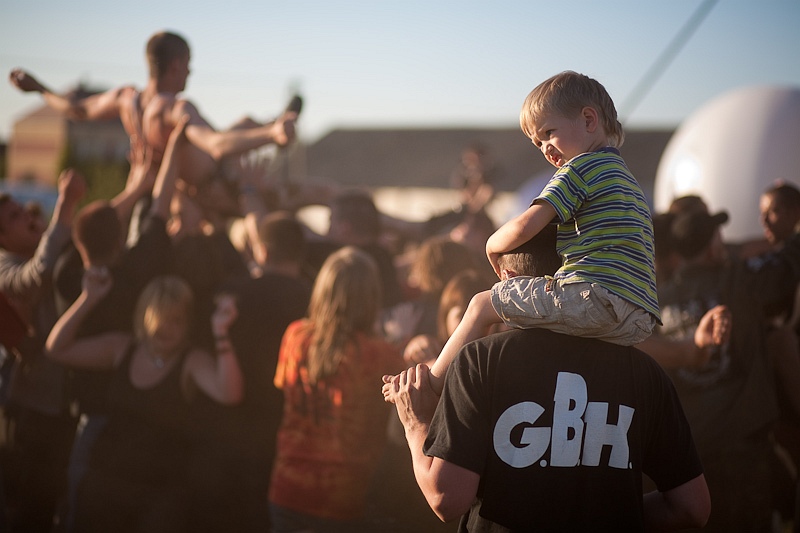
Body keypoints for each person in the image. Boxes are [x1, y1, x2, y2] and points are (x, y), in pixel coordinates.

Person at [384, 236, 710, 531]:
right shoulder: (644, 372)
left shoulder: (480, 361)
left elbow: (446, 498)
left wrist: (416, 424)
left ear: (508, 282)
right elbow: (693, 507)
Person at [386, 71, 659, 398]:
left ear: (589, 119)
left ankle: (430, 386)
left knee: (481, 305)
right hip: (639, 315)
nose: (545, 148)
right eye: (537, 142)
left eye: (548, 132)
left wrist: (492, 248)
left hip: (595, 296)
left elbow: (526, 223)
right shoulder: (628, 181)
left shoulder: (579, 169)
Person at [9, 30, 297, 216]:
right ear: (175, 65)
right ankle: (277, 124)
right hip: (213, 187)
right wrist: (271, 135)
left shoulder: (127, 100)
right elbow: (216, 146)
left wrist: (40, 88)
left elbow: (77, 109)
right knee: (307, 192)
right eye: (188, 64)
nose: (190, 72)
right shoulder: (172, 108)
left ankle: (276, 120)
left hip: (172, 187)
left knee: (246, 121)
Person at [639, 204, 800, 532]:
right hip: (745, 452)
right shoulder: (741, 280)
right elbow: (786, 266)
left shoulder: (653, 302)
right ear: (713, 246)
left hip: (690, 463)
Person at [45, 274, 243, 533]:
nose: (166, 328)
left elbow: (229, 393)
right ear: (144, 316)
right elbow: (56, 349)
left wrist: (221, 333)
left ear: (189, 323)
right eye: (158, 317)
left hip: (158, 497)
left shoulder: (191, 360)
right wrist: (88, 298)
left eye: (177, 320)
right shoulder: (122, 347)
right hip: (105, 483)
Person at [184, 211, 312, 533]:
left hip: (226, 428)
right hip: (287, 433)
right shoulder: (316, 301)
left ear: (263, 252)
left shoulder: (232, 295)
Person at [268, 247, 403, 532]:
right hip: (344, 494)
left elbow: (285, 390)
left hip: (287, 486)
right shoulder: (381, 355)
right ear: (370, 297)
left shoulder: (296, 336)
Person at [0, 168, 85, 532]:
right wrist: (64, 205)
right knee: (29, 508)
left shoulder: (49, 246)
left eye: (27, 211)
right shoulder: (5, 268)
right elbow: (37, 274)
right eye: (16, 217)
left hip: (60, 407)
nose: (30, 219)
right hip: (31, 413)